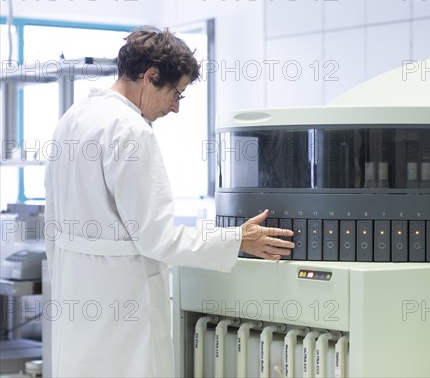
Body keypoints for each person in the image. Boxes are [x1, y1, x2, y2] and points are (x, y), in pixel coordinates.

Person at [44, 26, 294, 377]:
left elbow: (51, 224)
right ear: (150, 77)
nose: (175, 108)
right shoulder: (130, 130)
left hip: (76, 297)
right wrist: (238, 239)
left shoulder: (73, 118)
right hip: (123, 305)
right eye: (177, 93)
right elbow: (158, 237)